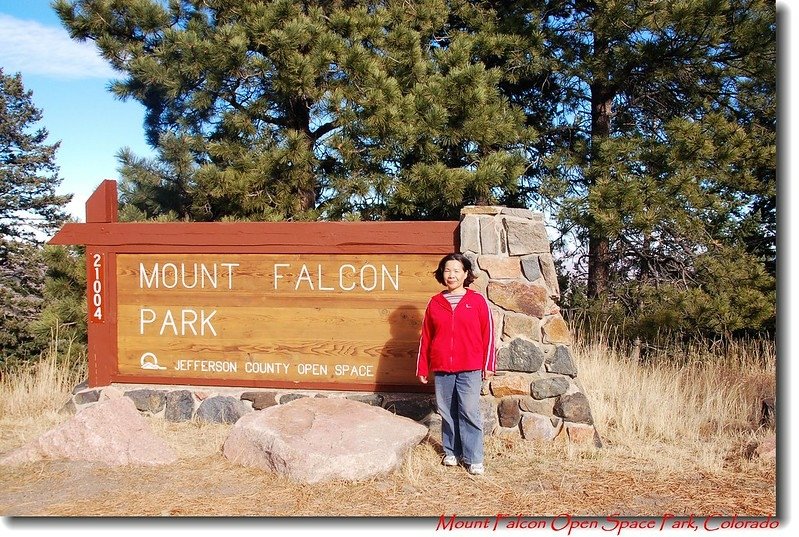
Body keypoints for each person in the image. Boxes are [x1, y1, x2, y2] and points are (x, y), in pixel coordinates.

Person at [416, 252, 495, 475]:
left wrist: (489, 364)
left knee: (469, 411)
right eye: (447, 270)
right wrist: (422, 368)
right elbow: (426, 338)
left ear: (465, 273)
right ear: (442, 274)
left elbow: (488, 334)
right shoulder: (435, 303)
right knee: (447, 412)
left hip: (470, 366)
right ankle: (452, 452)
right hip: (442, 368)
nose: (451, 275)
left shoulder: (477, 301)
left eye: (456, 271)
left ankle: (474, 458)